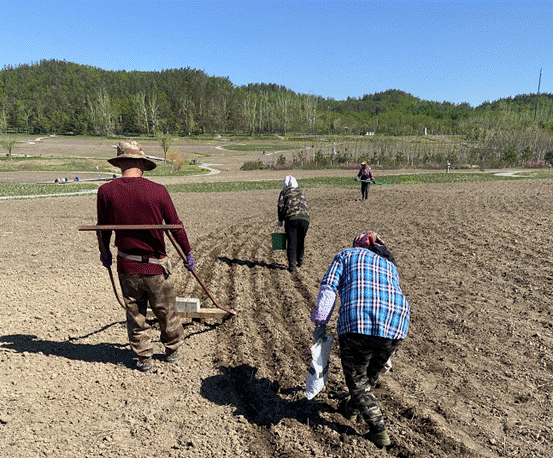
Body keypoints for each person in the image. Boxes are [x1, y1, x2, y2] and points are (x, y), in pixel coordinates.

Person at [97, 141, 194, 372]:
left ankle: (144, 358)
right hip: (156, 265)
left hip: (126, 265)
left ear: (120, 164)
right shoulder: (157, 190)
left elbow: (103, 229)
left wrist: (105, 253)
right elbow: (175, 226)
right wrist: (187, 252)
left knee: (135, 313)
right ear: (142, 163)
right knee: (166, 310)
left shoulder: (106, 191)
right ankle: (172, 350)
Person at [311, 232, 410, 448]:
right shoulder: (389, 265)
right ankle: (351, 410)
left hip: (358, 322)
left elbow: (329, 288)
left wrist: (320, 322)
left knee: (356, 379)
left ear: (357, 245)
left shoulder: (346, 255)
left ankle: (378, 429)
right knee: (370, 377)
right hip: (397, 324)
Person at [277, 175, 310, 272]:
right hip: (305, 219)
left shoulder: (284, 192)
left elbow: (280, 206)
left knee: (292, 242)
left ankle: (292, 266)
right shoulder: (301, 191)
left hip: (291, 218)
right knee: (300, 240)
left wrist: (280, 220)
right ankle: (300, 260)